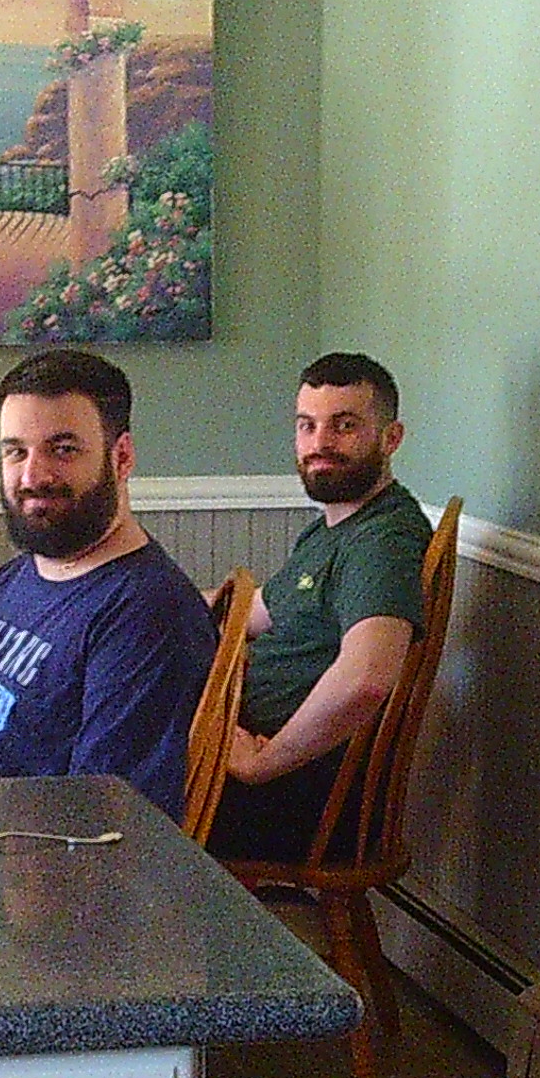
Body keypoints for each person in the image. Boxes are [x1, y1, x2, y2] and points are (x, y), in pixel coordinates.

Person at [0, 348, 218, 820]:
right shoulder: (5, 584)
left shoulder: (148, 616)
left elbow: (102, 826)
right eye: (15, 451)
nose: (32, 476)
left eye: (63, 450)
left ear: (121, 457)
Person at [208, 353, 430, 864]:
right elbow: (249, 613)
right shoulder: (334, 529)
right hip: (256, 765)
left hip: (293, 797)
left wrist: (261, 765)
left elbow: (367, 677)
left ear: (391, 438)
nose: (319, 444)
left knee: (103, 792)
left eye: (344, 426)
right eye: (307, 426)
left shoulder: (383, 540)